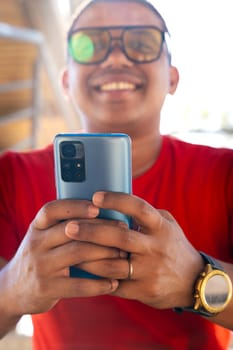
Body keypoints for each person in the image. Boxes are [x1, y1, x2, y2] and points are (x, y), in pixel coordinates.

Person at [0, 0, 233, 349]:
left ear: (172, 77)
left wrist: (195, 279)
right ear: (66, 80)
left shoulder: (224, 173)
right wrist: (10, 290)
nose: (115, 58)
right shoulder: (11, 175)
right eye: (89, 45)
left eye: (141, 43)